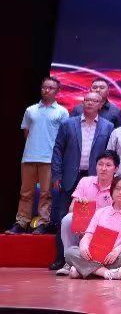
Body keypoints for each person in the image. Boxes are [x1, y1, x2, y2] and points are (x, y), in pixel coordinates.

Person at [49, 92, 115, 270]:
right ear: (82, 103)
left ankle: (89, 257)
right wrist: (56, 175)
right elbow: (58, 149)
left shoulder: (108, 126)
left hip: (95, 177)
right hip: (69, 177)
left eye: (95, 101)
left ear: (101, 104)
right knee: (65, 218)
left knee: (96, 218)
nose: (90, 103)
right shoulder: (68, 124)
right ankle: (63, 259)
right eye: (87, 100)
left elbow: (109, 154)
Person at [8, 76, 69, 235]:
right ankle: (21, 222)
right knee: (25, 193)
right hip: (29, 157)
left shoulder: (62, 112)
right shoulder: (31, 110)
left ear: (58, 91)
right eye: (44, 87)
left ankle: (42, 223)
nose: (46, 90)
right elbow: (27, 133)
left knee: (45, 194)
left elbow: (64, 137)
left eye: (51, 88)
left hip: (49, 159)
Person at [64, 174, 121, 280]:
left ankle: (84, 269)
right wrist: (83, 246)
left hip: (119, 257)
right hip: (97, 256)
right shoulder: (101, 212)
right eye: (117, 189)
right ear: (111, 191)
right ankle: (106, 273)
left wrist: (117, 250)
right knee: (70, 252)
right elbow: (88, 236)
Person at [55, 151, 119, 276]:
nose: (103, 168)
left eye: (108, 165)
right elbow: (71, 209)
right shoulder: (85, 181)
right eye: (100, 164)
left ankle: (83, 266)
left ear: (116, 169)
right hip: (84, 226)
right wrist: (78, 205)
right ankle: (69, 261)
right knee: (68, 219)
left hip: (104, 230)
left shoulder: (118, 187)